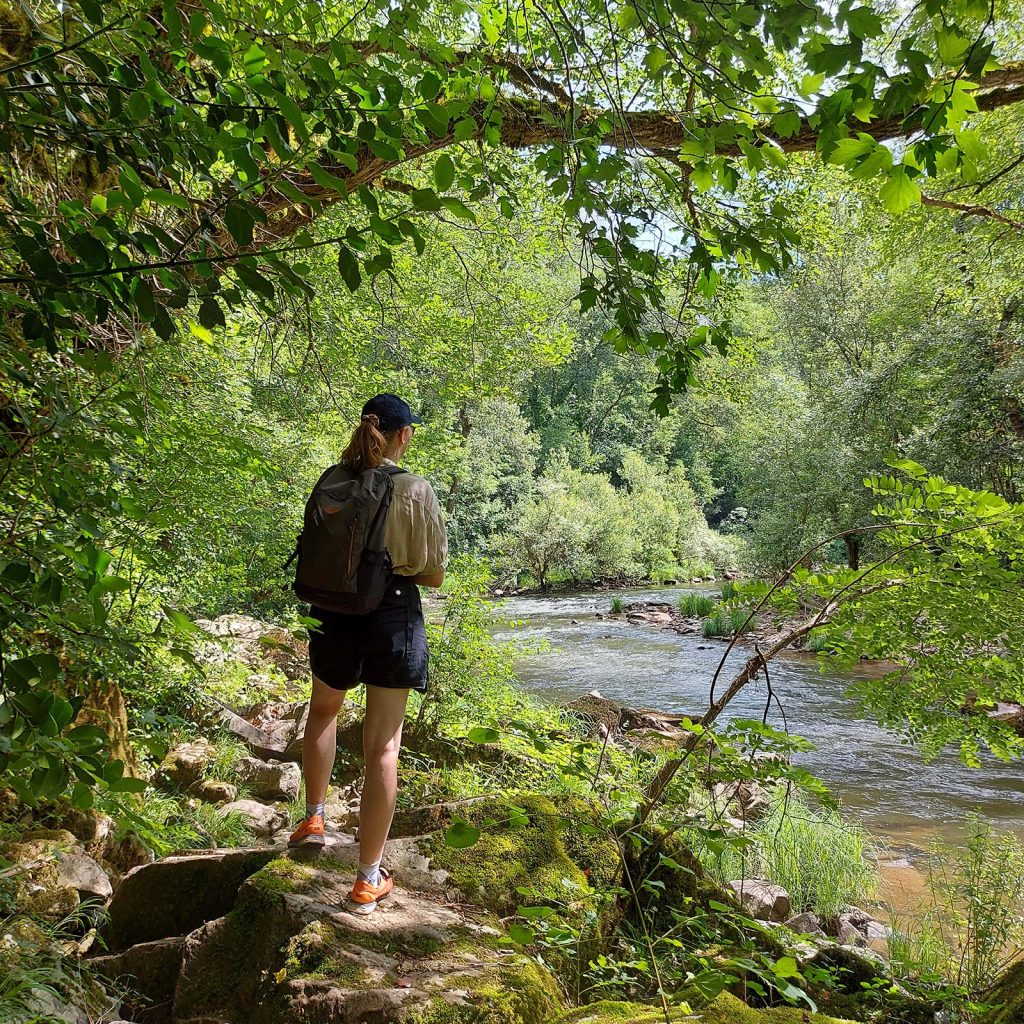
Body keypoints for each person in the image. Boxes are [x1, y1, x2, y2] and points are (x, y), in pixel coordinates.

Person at [287, 393, 447, 915]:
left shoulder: (333, 479)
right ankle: (366, 878)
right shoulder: (414, 489)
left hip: (332, 613)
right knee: (383, 746)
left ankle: (313, 817)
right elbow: (433, 572)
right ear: (404, 436)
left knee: (324, 710)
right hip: (392, 614)